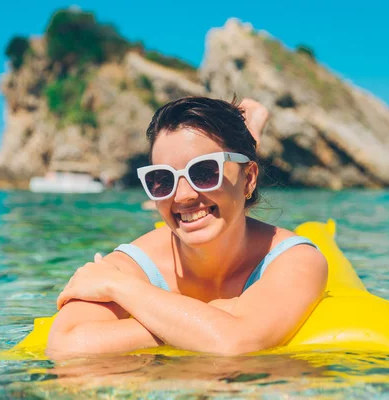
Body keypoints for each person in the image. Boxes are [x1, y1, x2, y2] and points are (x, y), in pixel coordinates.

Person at [47, 97, 328, 359]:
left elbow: (237, 343)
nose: (182, 195)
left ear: (250, 178)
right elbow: (64, 345)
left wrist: (119, 287)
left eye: (205, 171)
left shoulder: (297, 259)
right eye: (162, 180)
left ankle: (250, 130)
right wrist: (212, 318)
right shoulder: (135, 261)